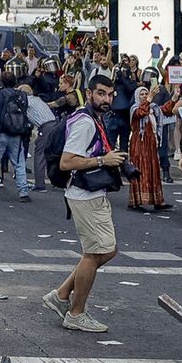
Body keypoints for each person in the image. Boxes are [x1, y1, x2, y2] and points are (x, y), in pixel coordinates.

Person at [42, 74, 127, 333]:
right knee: (96, 254)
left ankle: (61, 295)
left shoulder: (91, 118)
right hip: (84, 194)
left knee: (104, 251)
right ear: (89, 94)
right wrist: (104, 161)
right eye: (101, 93)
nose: (106, 99)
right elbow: (67, 162)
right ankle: (75, 313)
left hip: (90, 194)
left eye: (110, 94)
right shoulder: (85, 123)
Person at [0, 69, 30, 202]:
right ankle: (23, 192)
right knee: (19, 163)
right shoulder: (22, 95)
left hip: (0, 133)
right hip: (17, 133)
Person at [126, 78, 168, 212]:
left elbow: (166, 109)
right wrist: (150, 97)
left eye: (146, 94)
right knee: (140, 168)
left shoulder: (153, 108)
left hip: (151, 143)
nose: (144, 96)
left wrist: (176, 97)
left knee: (153, 169)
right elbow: (141, 113)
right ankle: (137, 201)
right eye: (142, 94)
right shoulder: (134, 108)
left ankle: (157, 200)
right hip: (139, 142)